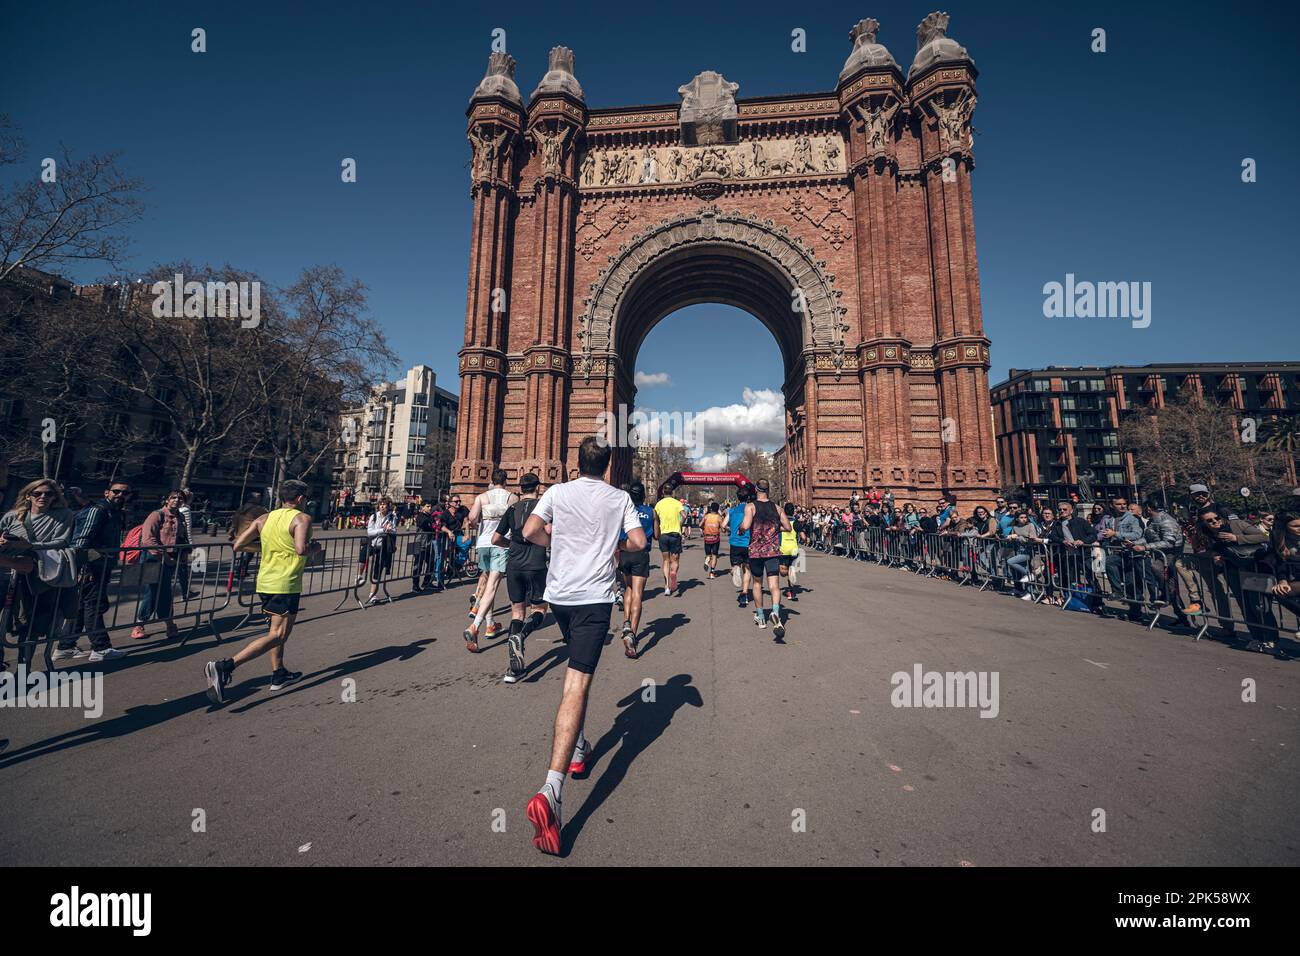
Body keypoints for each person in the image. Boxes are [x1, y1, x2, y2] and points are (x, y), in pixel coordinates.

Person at [521, 437, 647, 856]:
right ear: (609, 465)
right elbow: (639, 543)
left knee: (574, 672)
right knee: (577, 685)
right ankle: (552, 789)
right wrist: (614, 545)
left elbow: (529, 531)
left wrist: (556, 540)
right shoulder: (618, 498)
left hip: (559, 596)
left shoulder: (556, 491)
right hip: (593, 601)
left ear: (577, 463)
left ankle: (578, 749)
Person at [204, 480, 323, 702]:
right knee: (278, 635)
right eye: (305, 498)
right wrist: (315, 548)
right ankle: (225, 666)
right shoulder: (302, 518)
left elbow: (238, 545)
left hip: (265, 581)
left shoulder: (264, 518)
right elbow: (301, 549)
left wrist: (267, 547)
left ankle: (279, 673)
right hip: (285, 583)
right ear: (299, 499)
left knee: (277, 632)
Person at [0, 479, 77, 669]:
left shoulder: (64, 515)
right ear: (28, 496)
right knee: (5, 621)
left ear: (55, 497)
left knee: (31, 623)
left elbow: (62, 542)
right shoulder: (12, 516)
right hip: (7, 573)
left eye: (48, 494)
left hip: (39, 576)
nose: (42, 497)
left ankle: (24, 665)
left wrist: (31, 546)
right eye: (37, 493)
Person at [56, 480, 133, 663]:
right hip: (92, 566)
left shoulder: (114, 512)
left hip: (101, 564)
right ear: (107, 492)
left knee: (84, 605)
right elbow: (81, 541)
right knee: (94, 605)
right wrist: (83, 566)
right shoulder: (98, 510)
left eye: (125, 493)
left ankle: (65, 646)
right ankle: (101, 648)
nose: (120, 495)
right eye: (116, 491)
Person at [494, 473, 548, 681]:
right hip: (535, 564)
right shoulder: (543, 507)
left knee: (517, 612)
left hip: (514, 565)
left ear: (520, 488)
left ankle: (514, 669)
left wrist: (512, 546)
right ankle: (521, 636)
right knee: (541, 609)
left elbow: (496, 538)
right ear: (537, 488)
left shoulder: (512, 509)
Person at [463, 469, 516, 651]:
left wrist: (480, 524)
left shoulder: (481, 497)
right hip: (500, 544)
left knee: (486, 586)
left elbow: (472, 518)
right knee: (492, 586)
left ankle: (491, 624)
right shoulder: (511, 498)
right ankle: (475, 626)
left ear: (492, 481)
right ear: (506, 481)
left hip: (483, 543)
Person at [132, 490, 190, 640]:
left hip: (170, 558)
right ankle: (150, 624)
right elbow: (148, 539)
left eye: (180, 498)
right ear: (167, 500)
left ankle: (162, 624)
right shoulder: (156, 515)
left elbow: (182, 536)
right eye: (174, 497)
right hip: (152, 557)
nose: (177, 500)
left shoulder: (180, 516)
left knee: (162, 590)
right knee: (154, 591)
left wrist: (184, 552)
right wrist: (164, 556)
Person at [741, 478, 792, 638]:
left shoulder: (750, 507)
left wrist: (741, 529)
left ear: (756, 490)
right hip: (772, 551)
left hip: (756, 551)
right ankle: (776, 612)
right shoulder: (778, 508)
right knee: (774, 585)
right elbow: (788, 527)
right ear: (768, 490)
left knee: (757, 583)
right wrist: (775, 530)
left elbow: (746, 525)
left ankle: (761, 617)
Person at [615, 480, 655, 658]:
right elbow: (658, 535)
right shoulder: (651, 512)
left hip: (624, 552)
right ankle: (632, 633)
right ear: (644, 496)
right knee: (638, 593)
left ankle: (625, 621)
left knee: (628, 589)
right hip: (641, 553)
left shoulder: (624, 511)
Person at [227, 493, 268, 591]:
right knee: (249, 553)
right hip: (251, 534)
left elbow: (234, 520)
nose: (260, 499)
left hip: (241, 534)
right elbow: (268, 517)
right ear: (253, 499)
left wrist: (231, 532)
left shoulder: (241, 508)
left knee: (246, 552)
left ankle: (241, 569)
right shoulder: (258, 509)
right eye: (259, 497)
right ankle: (241, 570)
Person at [363, 498, 397, 606]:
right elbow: (369, 532)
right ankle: (359, 576)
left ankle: (372, 594)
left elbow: (394, 530)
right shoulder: (374, 516)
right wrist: (382, 530)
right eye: (380, 504)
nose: (382, 506)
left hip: (383, 546)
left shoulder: (392, 516)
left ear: (388, 506)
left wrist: (390, 529)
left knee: (377, 570)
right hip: (372, 544)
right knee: (362, 556)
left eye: (384, 505)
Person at [654, 487, 686, 597]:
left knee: (666, 560)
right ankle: (674, 573)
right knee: (675, 560)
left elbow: (655, 518)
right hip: (675, 534)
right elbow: (684, 516)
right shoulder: (677, 503)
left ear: (663, 492)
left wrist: (656, 531)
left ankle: (667, 587)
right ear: (672, 492)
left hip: (663, 535)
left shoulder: (659, 504)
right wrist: (680, 525)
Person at [725, 487, 753, 607]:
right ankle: (744, 593)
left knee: (736, 564)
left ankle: (735, 568)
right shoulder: (751, 510)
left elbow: (723, 524)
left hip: (735, 543)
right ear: (748, 498)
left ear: (738, 498)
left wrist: (732, 530)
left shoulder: (732, 511)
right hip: (748, 543)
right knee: (747, 569)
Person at [411, 501, 439, 592]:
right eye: (427, 506)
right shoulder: (420, 516)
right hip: (419, 543)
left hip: (428, 544)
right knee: (418, 566)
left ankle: (427, 582)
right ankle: (415, 585)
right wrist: (431, 520)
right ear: (422, 507)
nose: (430, 508)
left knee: (431, 562)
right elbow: (423, 524)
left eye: (430, 506)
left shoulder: (430, 517)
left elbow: (432, 527)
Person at [778, 501, 801, 601]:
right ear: (793, 511)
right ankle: (791, 592)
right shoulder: (796, 523)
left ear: (784, 511)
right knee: (791, 568)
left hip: (783, 549)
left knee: (783, 572)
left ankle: (789, 572)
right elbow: (803, 537)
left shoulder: (781, 522)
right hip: (794, 549)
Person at [700, 502, 723, 579]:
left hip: (707, 538)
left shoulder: (706, 516)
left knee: (708, 554)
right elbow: (723, 528)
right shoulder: (719, 518)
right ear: (717, 509)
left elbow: (700, 525)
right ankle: (712, 572)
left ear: (711, 508)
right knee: (715, 555)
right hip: (715, 538)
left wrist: (704, 528)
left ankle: (707, 559)